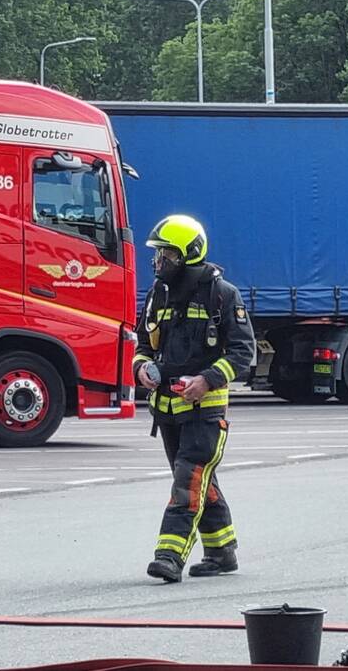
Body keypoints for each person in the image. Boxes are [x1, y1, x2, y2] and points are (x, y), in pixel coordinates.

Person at [134, 214, 255, 582]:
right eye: (157, 254)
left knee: (188, 480)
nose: (158, 261)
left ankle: (169, 556)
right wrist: (142, 369)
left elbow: (243, 351)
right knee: (198, 479)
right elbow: (143, 344)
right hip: (167, 411)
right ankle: (221, 552)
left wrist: (206, 380)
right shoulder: (158, 294)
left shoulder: (223, 295)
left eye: (166, 254)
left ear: (188, 254)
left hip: (205, 411)